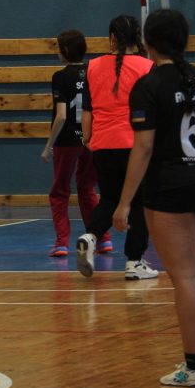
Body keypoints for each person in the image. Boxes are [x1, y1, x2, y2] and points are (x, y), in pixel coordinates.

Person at [113, 9, 195, 388]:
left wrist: (124, 203)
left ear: (148, 42)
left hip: (171, 187)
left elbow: (143, 147)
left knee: (185, 276)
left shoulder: (148, 86)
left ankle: (194, 366)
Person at [76, 15, 158, 280]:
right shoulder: (148, 66)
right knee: (140, 202)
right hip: (135, 144)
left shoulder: (93, 66)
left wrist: (87, 139)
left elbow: (87, 110)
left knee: (110, 198)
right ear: (138, 37)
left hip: (103, 144)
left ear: (112, 37)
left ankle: (90, 236)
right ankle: (134, 261)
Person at [41, 29, 111, 257]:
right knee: (88, 188)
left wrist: (48, 145)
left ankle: (62, 242)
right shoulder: (93, 72)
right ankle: (102, 239)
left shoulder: (60, 77)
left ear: (65, 50)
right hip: (91, 138)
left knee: (59, 190)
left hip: (67, 141)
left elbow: (61, 115)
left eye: (57, 47)